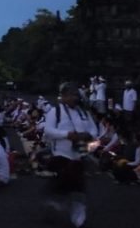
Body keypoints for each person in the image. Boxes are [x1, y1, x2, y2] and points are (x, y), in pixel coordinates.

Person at [41, 83, 99, 228]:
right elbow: (48, 131)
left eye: (76, 95)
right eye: (72, 95)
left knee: (78, 187)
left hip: (79, 154)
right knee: (66, 182)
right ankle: (56, 204)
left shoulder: (84, 113)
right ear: (64, 96)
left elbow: (94, 131)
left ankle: (78, 218)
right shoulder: (55, 112)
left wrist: (87, 135)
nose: (75, 98)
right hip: (61, 154)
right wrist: (67, 135)